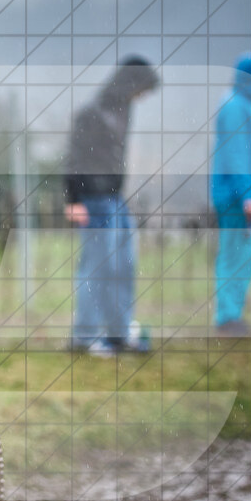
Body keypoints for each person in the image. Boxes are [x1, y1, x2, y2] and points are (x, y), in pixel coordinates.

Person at [63, 56, 159, 355]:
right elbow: (73, 157)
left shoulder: (123, 110)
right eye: (142, 89)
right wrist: (73, 199)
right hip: (92, 200)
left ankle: (119, 333)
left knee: (123, 266)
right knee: (96, 269)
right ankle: (85, 337)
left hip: (115, 199)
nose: (142, 97)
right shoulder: (92, 113)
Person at [211, 53, 251, 337]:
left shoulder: (243, 105)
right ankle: (227, 318)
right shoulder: (235, 106)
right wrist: (248, 196)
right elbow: (237, 155)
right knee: (235, 255)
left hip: (244, 196)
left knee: (245, 256)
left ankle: (232, 315)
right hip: (236, 198)